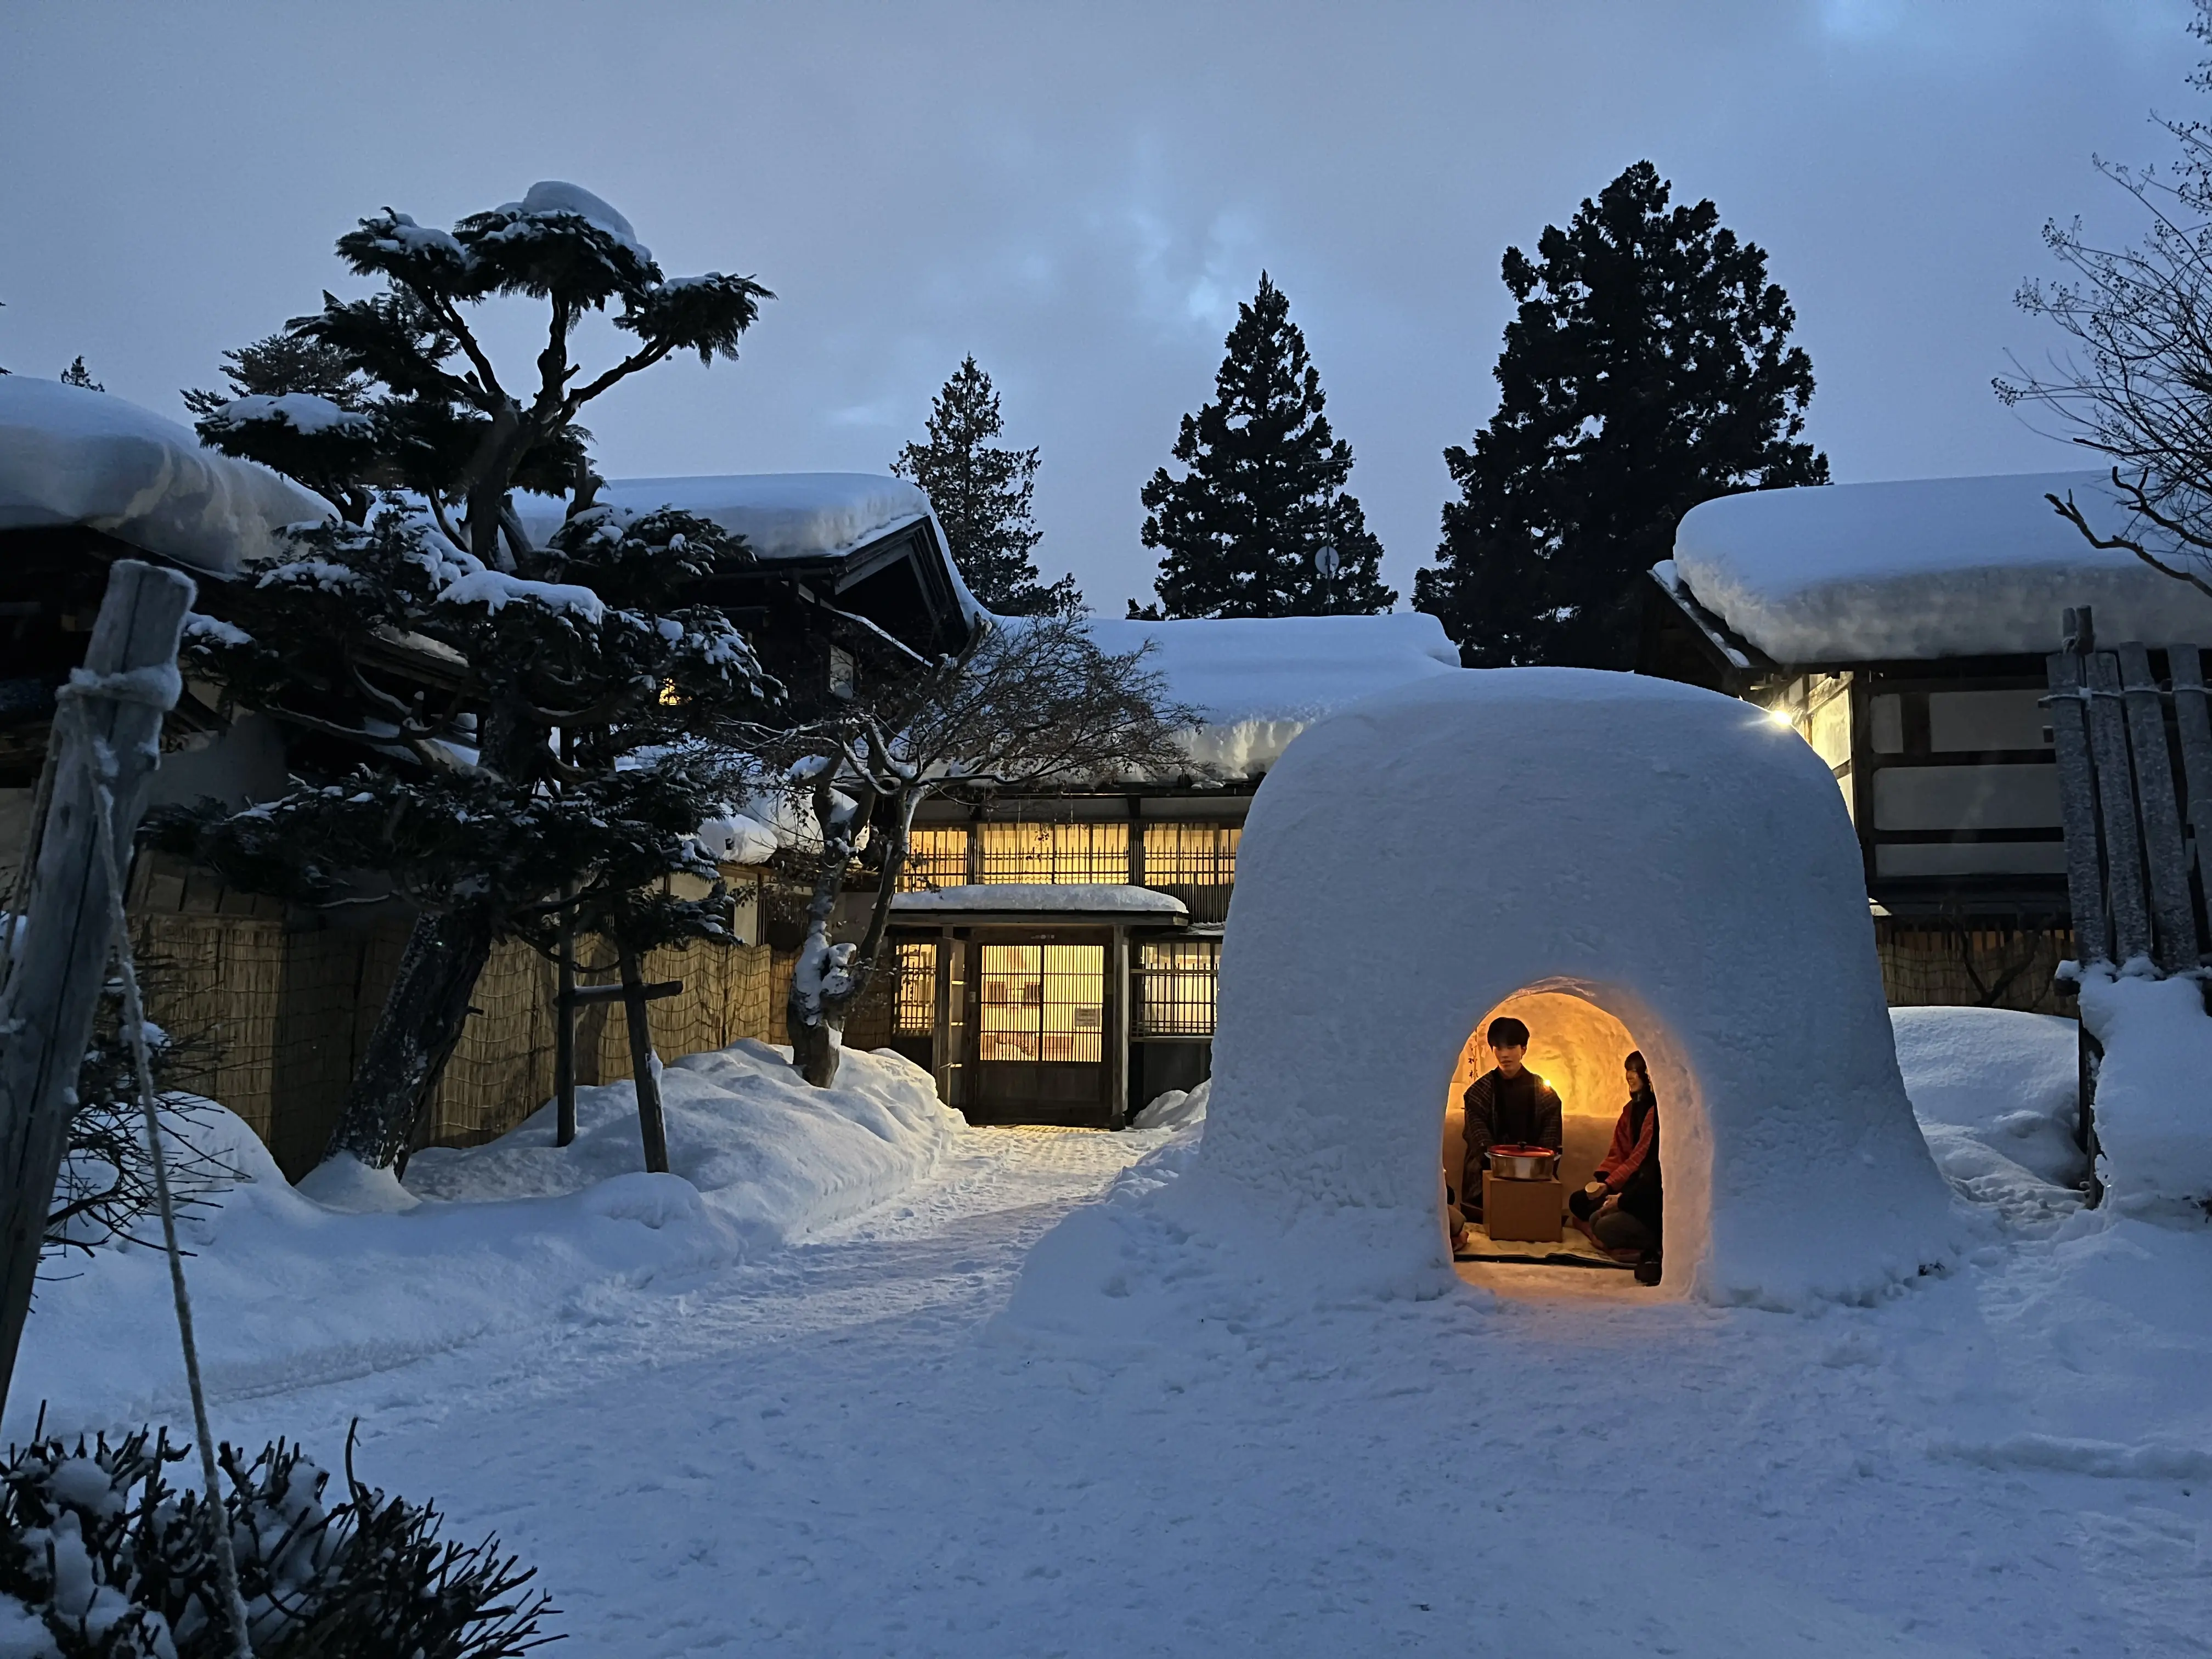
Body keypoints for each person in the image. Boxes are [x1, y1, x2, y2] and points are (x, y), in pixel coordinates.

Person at [1456, 1016, 1563, 1226]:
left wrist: (1531, 1168)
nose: (1504, 1054)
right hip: (1489, 1175)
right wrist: (1503, 1169)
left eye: (1511, 1047)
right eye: (1498, 1047)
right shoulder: (1478, 1092)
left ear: (1524, 1049)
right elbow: (1480, 1142)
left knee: (1537, 1207)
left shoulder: (1546, 1094)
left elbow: (1551, 1143)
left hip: (1534, 1176)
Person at [1570, 1050, 1662, 1273]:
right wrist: (1604, 1182)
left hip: (1641, 1193)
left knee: (1601, 1224)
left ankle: (1645, 1247)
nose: (1630, 1078)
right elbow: (1618, 1152)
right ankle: (1608, 1228)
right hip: (1624, 1186)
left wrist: (1614, 1190)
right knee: (1578, 1201)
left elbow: (1641, 1161)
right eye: (1628, 1073)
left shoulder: (1657, 1113)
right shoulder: (1630, 1111)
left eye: (1635, 1073)